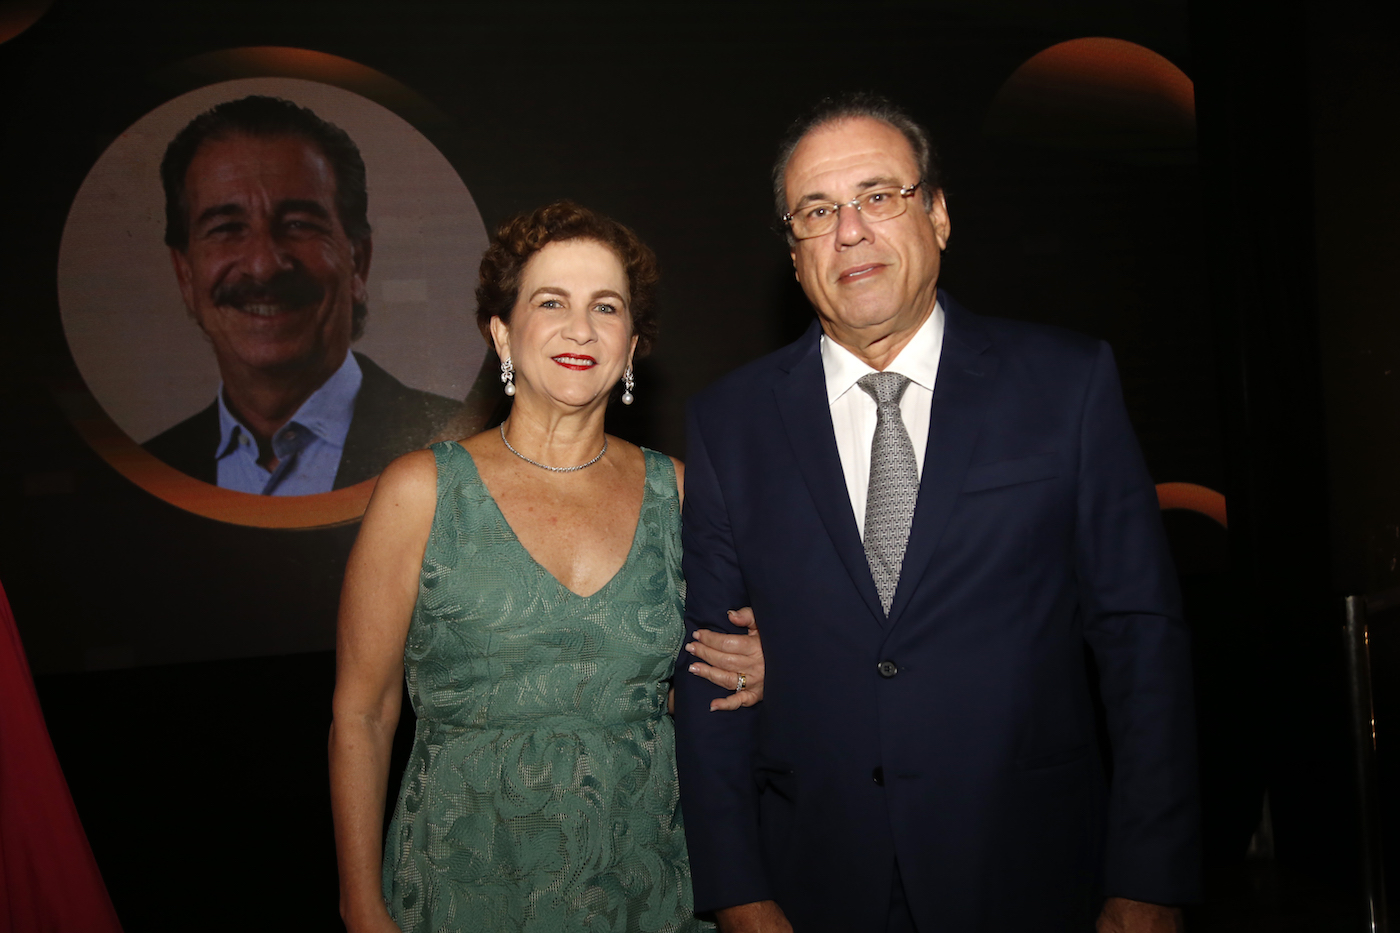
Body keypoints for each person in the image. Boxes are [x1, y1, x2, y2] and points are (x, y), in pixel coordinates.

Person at [674, 93, 1200, 932]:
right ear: (795, 251)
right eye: (818, 210)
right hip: (816, 880)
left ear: (940, 215)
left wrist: (1149, 879)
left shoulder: (1066, 384)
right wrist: (738, 894)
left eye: (879, 196)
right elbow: (712, 673)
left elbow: (1142, 639)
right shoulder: (728, 423)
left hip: (1033, 867)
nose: (850, 231)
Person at [329, 201, 764, 933]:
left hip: (649, 889)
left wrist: (757, 669)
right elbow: (362, 715)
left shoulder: (683, 494)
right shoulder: (421, 491)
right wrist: (361, 906)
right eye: (551, 302)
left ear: (632, 345)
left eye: (607, 307)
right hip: (461, 886)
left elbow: (701, 691)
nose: (581, 328)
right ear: (502, 332)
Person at [143, 95, 493, 494]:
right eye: (226, 228)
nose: (264, 265)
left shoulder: (470, 451)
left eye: (298, 224)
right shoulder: (150, 470)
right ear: (185, 274)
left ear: (357, 262)